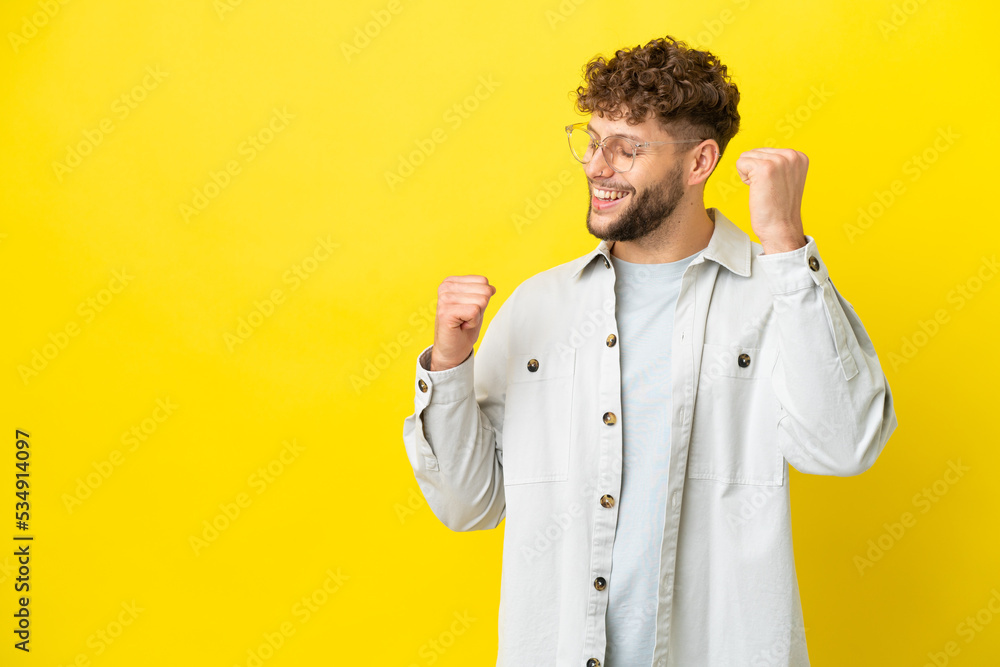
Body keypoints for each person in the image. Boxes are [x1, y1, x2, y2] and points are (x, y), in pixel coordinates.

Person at [401, 35, 898, 667]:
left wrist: (784, 241)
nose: (595, 165)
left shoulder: (777, 297)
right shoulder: (537, 307)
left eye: (628, 148)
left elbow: (844, 447)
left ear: (698, 163)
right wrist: (448, 365)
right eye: (593, 136)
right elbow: (469, 504)